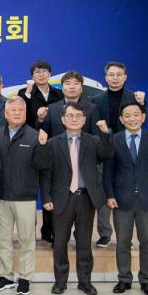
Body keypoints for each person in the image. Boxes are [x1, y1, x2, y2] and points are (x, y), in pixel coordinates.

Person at [41, 102, 114, 295]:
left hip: (85, 199)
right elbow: (47, 173)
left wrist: (106, 133)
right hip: (61, 198)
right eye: (70, 115)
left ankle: (85, 281)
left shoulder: (94, 141)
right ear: (63, 119)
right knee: (59, 243)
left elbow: (108, 154)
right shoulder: (53, 143)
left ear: (84, 119)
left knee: (84, 243)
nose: (74, 119)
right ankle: (60, 282)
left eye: (78, 116)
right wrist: (46, 197)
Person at [104, 101, 148, 295]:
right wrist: (109, 195)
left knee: (147, 242)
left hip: (146, 199)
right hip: (121, 199)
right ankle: (124, 279)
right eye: (127, 115)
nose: (132, 119)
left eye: (136, 114)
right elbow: (107, 172)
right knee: (122, 242)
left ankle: (146, 280)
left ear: (143, 117)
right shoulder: (114, 140)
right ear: (121, 119)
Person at [0, 97, 50, 295]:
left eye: (20, 110)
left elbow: (44, 166)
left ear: (26, 113)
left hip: (25, 198)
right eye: (13, 110)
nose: (17, 113)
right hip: (2, 197)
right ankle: (6, 276)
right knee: (3, 240)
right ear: (5, 114)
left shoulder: (35, 136)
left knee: (27, 240)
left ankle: (25, 278)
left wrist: (43, 146)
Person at [36, 71, 102, 244]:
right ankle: (53, 236)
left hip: (83, 167)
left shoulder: (91, 108)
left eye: (75, 83)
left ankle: (80, 239)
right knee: (55, 208)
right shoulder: (53, 108)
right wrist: (40, 121)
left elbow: (96, 139)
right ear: (62, 86)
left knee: (83, 222)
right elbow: (44, 134)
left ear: (81, 87)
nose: (71, 87)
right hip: (58, 166)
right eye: (67, 83)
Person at [91, 62, 147, 248]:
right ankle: (105, 233)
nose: (115, 77)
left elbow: (141, 121)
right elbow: (94, 127)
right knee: (104, 192)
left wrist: (142, 104)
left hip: (126, 149)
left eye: (119, 74)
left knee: (124, 192)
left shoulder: (134, 98)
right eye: (111, 74)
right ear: (105, 77)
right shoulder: (96, 99)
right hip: (104, 149)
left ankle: (125, 237)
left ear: (125, 77)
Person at [17, 60, 63, 129]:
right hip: (33, 131)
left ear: (50, 74)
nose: (41, 75)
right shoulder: (24, 93)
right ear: (32, 77)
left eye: (44, 71)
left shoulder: (59, 93)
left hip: (55, 131)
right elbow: (21, 113)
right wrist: (28, 93)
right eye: (37, 72)